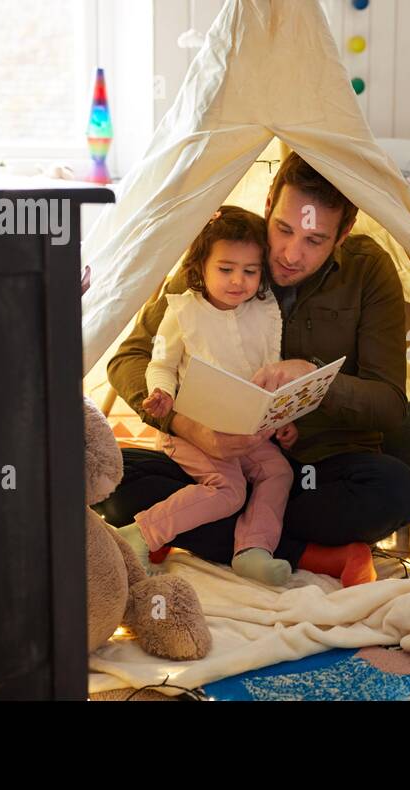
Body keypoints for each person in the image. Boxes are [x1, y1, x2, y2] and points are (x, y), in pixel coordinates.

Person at [100, 151, 410, 587]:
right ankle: (304, 553)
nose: (290, 255)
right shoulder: (228, 251)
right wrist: (186, 426)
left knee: (394, 491)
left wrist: (313, 378)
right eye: (284, 230)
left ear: (343, 233)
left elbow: (388, 405)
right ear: (269, 202)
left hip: (314, 472)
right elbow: (130, 358)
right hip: (216, 463)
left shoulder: (369, 270)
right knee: (113, 477)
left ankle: (219, 532)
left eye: (315, 240)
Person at [114, 206, 295, 585]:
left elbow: (271, 371)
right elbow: (160, 363)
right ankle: (140, 535)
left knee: (279, 471)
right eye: (225, 269)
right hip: (192, 429)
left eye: (250, 271)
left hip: (246, 428)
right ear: (200, 266)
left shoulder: (263, 310)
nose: (238, 281)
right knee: (230, 491)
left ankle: (252, 550)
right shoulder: (183, 311)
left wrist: (283, 417)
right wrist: (160, 394)